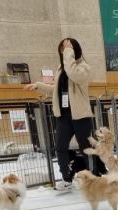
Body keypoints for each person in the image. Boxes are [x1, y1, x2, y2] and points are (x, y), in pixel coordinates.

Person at [25, 38, 106, 191]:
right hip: (63, 115)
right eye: (62, 48)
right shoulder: (61, 69)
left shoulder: (83, 67)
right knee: (60, 147)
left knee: (87, 148)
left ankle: (93, 177)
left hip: (81, 116)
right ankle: (66, 178)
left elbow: (74, 74)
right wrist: (38, 86)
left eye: (67, 48)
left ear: (74, 49)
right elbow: (55, 90)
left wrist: (69, 53)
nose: (64, 51)